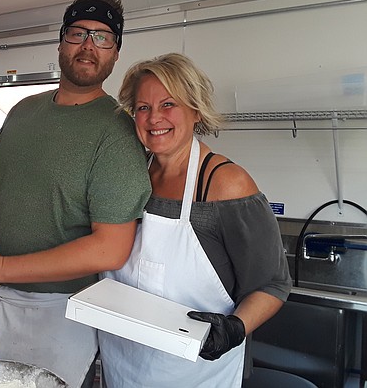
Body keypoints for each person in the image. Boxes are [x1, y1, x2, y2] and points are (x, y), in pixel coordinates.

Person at [0, 0, 152, 387]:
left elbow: (110, 247)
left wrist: (2, 267)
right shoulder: (24, 110)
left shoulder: (117, 131)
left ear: (115, 54)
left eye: (103, 37)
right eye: (78, 33)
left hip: (61, 311)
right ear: (61, 42)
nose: (88, 46)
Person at [99, 53, 292, 388]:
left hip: (195, 371)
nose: (153, 118)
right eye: (143, 107)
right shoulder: (132, 172)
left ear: (196, 110)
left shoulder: (224, 183)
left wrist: (235, 327)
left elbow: (272, 284)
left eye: (168, 104)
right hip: (123, 362)